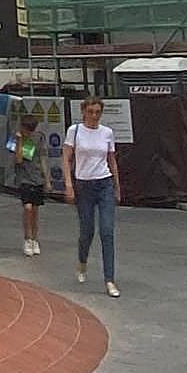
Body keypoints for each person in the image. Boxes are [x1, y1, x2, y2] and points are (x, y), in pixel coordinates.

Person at [62, 96, 121, 298]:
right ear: (84, 112)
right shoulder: (75, 131)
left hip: (104, 182)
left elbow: (111, 160)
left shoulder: (107, 133)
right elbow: (66, 157)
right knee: (87, 230)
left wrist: (117, 186)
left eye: (97, 112)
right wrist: (68, 184)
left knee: (107, 231)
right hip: (84, 184)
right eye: (91, 112)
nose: (94, 116)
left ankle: (109, 279)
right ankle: (82, 260)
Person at [11, 114, 45, 256]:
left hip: (37, 177)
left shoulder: (39, 138)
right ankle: (27, 238)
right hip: (24, 178)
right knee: (28, 208)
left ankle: (34, 239)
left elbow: (42, 157)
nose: (28, 133)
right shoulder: (16, 139)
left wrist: (46, 178)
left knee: (35, 210)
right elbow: (18, 160)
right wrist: (19, 140)